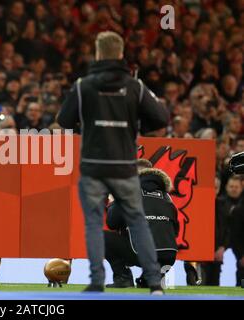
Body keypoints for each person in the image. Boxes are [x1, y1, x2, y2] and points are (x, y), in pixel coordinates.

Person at [57, 31, 169, 294]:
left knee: (94, 223)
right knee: (137, 220)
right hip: (124, 167)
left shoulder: (83, 86)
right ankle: (154, 283)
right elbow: (161, 117)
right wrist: (138, 121)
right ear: (120, 54)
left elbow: (63, 120)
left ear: (97, 53)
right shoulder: (135, 87)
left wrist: (83, 123)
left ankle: (97, 282)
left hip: (94, 167)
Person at [105, 162, 179, 288]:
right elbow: (175, 230)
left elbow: (112, 223)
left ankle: (123, 278)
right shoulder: (167, 197)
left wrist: (112, 202)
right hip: (169, 256)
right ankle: (150, 278)